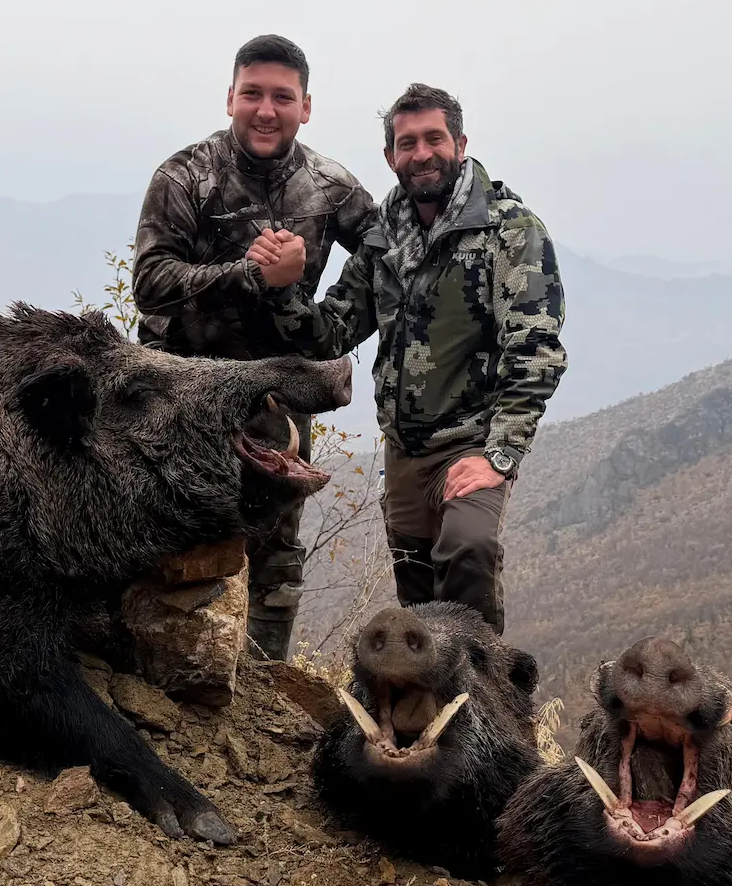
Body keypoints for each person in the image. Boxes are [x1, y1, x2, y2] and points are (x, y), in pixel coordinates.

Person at [251, 83, 565, 634]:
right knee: (418, 617)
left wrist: (499, 455)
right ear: (391, 156)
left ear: (460, 143)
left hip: (470, 444)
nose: (421, 154)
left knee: (467, 558)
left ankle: (482, 710)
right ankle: (423, 719)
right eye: (407, 143)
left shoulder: (510, 231)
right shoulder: (383, 236)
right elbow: (331, 333)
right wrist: (283, 288)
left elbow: (537, 351)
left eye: (433, 139)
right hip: (403, 453)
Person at [130, 34, 381, 661]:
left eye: (282, 97)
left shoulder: (331, 187)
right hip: (179, 388)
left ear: (306, 107)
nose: (266, 110)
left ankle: (263, 686)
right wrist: (250, 276)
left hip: (276, 394)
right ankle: (160, 670)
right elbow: (150, 285)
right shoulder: (186, 176)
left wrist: (329, 328)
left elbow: (389, 259)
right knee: (171, 529)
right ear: (230, 98)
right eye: (253, 95)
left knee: (274, 544)